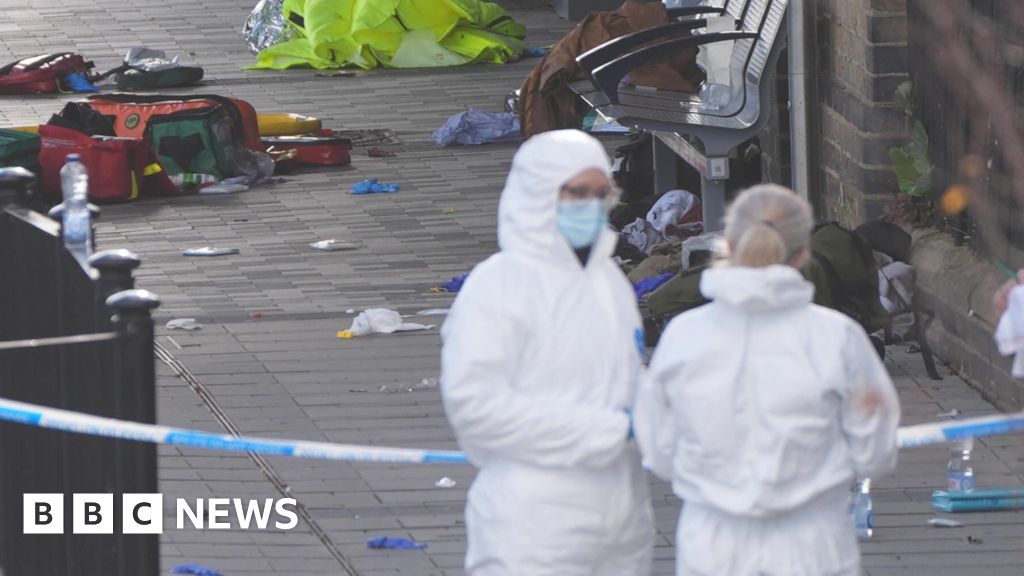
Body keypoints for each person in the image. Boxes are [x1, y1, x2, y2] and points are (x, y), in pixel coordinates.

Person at [634, 184, 901, 576]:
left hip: (714, 540)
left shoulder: (684, 337)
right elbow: (875, 451)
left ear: (726, 246)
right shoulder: (838, 338)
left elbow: (657, 448)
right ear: (803, 253)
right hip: (811, 542)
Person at [440, 129, 653, 576]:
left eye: (601, 193)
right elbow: (476, 409)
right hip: (534, 522)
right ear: (539, 194)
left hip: (621, 512)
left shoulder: (608, 284)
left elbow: (624, 379)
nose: (591, 206)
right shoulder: (499, 287)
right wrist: (604, 430)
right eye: (577, 193)